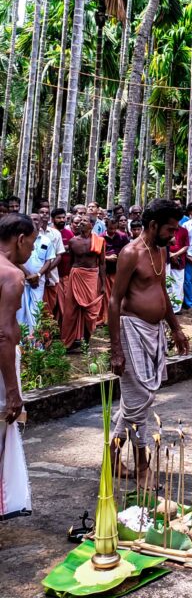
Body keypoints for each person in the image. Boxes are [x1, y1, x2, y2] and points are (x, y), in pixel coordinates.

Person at [109, 199, 189, 469]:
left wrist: (175, 328)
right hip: (131, 329)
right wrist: (116, 350)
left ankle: (113, 457)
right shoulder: (131, 253)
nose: (173, 235)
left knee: (136, 400)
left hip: (154, 332)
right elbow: (113, 300)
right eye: (170, 229)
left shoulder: (161, 251)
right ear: (153, 226)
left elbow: (161, 290)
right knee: (140, 399)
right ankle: (142, 464)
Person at [0, 213, 36, 519]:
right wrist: (13, 391)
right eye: (32, 243)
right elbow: (5, 333)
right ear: (20, 239)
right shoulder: (12, 275)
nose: (32, 251)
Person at [61, 215, 106, 351]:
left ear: (91, 225)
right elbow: (71, 262)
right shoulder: (73, 241)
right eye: (79, 221)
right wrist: (68, 279)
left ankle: (86, 341)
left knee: (90, 311)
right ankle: (69, 342)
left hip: (91, 276)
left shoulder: (99, 241)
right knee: (71, 310)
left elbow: (102, 263)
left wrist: (103, 283)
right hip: (76, 275)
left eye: (84, 221)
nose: (81, 223)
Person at [17, 204, 64, 332]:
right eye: (31, 219)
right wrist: (27, 274)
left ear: (42, 221)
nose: (34, 222)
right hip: (22, 279)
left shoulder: (46, 240)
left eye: (36, 219)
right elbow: (15, 259)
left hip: (39, 281)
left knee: (35, 311)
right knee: (20, 312)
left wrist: (37, 275)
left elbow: (49, 260)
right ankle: (21, 344)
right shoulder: (20, 239)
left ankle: (35, 344)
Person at [101, 216, 130, 322]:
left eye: (114, 228)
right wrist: (107, 258)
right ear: (106, 227)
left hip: (119, 271)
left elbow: (129, 252)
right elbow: (96, 256)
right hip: (106, 271)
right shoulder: (101, 238)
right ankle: (107, 317)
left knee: (119, 294)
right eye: (110, 229)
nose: (112, 231)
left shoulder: (123, 237)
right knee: (106, 296)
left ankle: (119, 315)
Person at [167, 221, 189, 313]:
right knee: (167, 283)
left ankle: (176, 308)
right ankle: (168, 307)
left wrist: (175, 254)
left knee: (178, 284)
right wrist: (170, 254)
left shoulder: (184, 231)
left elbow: (186, 246)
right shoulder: (166, 230)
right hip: (167, 259)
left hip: (179, 260)